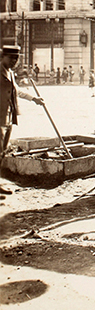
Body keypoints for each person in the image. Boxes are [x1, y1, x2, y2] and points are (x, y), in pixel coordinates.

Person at [1, 44, 44, 198]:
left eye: (16, 58)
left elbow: (16, 91)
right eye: (11, 57)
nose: (14, 61)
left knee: (2, 152)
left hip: (7, 118)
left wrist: (34, 99)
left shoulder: (11, 74)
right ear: (2, 57)